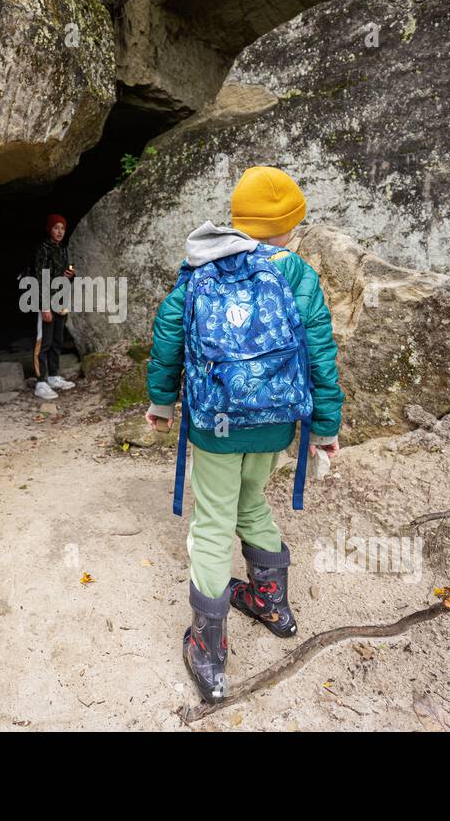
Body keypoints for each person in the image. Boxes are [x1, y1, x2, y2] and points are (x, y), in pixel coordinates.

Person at [143, 166, 344, 702]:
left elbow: (168, 334)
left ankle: (208, 652)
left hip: (215, 424)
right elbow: (320, 354)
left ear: (238, 220)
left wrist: (162, 401)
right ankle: (272, 604)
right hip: (276, 421)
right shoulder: (296, 273)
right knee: (250, 498)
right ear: (289, 226)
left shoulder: (200, 266)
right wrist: (325, 427)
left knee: (212, 522)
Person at [32, 213, 77, 401]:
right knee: (44, 342)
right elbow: (40, 278)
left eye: (62, 228)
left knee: (57, 341)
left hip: (60, 302)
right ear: (49, 229)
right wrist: (44, 307)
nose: (59, 231)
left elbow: (65, 276)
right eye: (56, 227)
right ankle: (40, 382)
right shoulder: (43, 249)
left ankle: (53, 376)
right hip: (47, 303)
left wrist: (70, 276)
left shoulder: (63, 249)